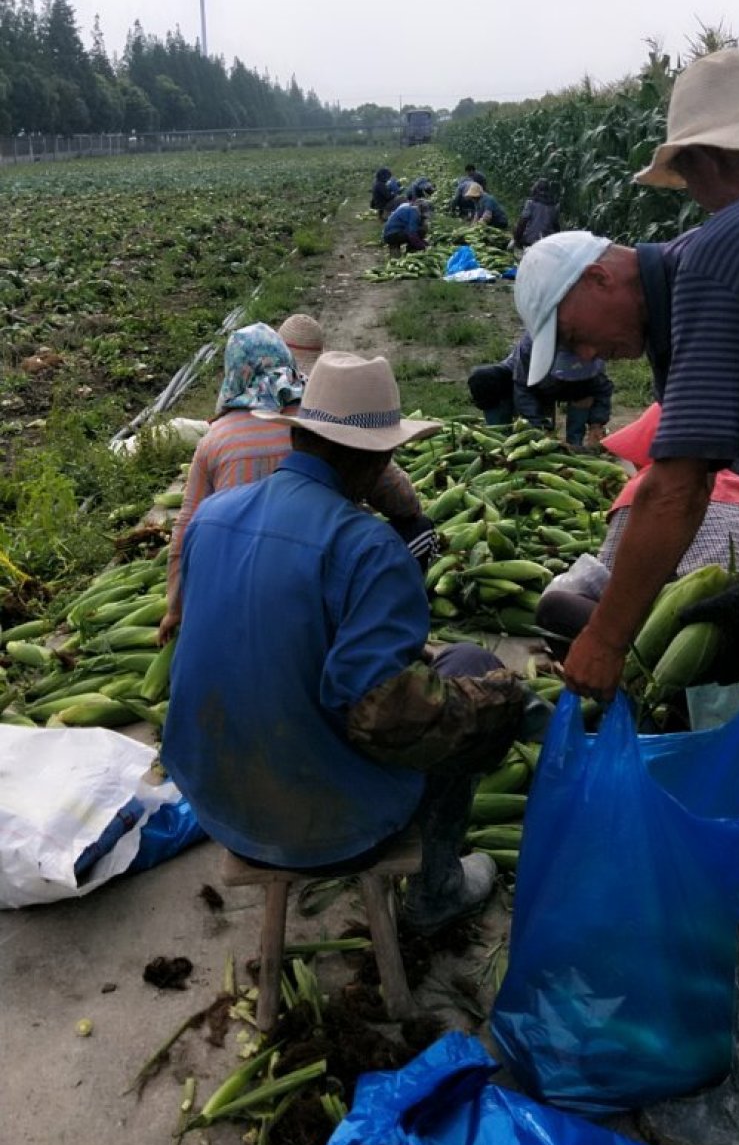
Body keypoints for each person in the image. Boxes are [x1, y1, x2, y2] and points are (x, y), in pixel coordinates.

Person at [517, 50, 739, 1145]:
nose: (586, 356)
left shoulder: (727, 250)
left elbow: (675, 489)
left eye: (573, 335)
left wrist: (599, 645)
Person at [162, 352, 543, 936]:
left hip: (214, 800)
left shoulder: (212, 517)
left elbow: (273, 633)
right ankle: (436, 891)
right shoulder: (368, 547)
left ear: (304, 437)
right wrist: (505, 704)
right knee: (472, 675)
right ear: (377, 456)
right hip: (328, 826)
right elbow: (385, 716)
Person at [159, 322, 434, 642]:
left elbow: (184, 526)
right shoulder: (368, 541)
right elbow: (403, 503)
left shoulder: (213, 474)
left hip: (232, 588)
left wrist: (176, 608)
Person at [535, 402, 739, 648]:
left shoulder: (653, 492)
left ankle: (619, 682)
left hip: (696, 636)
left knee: (554, 607)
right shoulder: (734, 486)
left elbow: (607, 581)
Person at [467, 329, 612, 447]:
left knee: (585, 387)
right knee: (483, 379)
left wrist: (596, 424)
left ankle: (575, 443)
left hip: (568, 387)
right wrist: (541, 428)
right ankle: (500, 441)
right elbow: (523, 390)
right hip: (529, 380)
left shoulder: (590, 345)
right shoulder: (532, 344)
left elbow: (601, 388)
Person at [513, 178, 560, 248]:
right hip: (545, 243)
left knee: (517, 226)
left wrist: (516, 239)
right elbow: (556, 228)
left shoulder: (531, 203)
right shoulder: (553, 207)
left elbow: (522, 223)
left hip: (529, 241)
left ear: (536, 189)